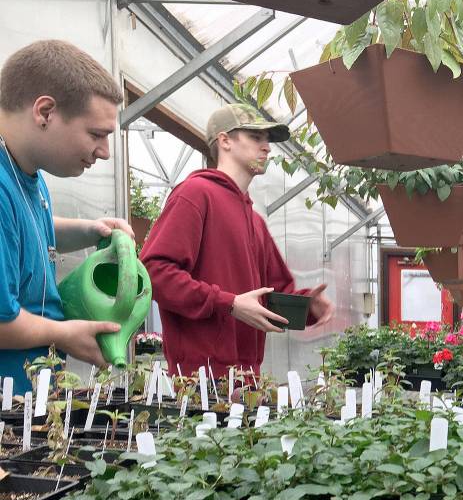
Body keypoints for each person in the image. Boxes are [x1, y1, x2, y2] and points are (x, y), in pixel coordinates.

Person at [140, 103, 334, 380]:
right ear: (225, 141)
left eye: (267, 140)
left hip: (247, 383)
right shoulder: (195, 194)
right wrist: (227, 303)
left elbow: (273, 294)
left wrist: (307, 307)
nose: (266, 147)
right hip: (199, 384)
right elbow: (153, 273)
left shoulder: (255, 221)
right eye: (255, 137)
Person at [0, 40, 135, 393]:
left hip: (26, 402)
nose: (105, 152)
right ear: (45, 112)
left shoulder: (24, 172)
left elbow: (23, 232)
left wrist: (90, 230)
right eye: (96, 134)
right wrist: (64, 334)